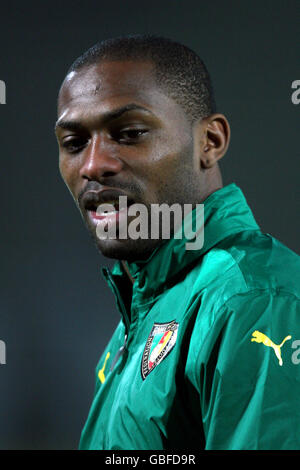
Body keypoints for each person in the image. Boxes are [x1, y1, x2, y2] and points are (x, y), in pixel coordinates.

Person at [55, 34, 300, 450]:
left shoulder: (254, 300)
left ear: (210, 142)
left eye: (129, 133)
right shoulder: (142, 313)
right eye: (75, 144)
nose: (94, 164)